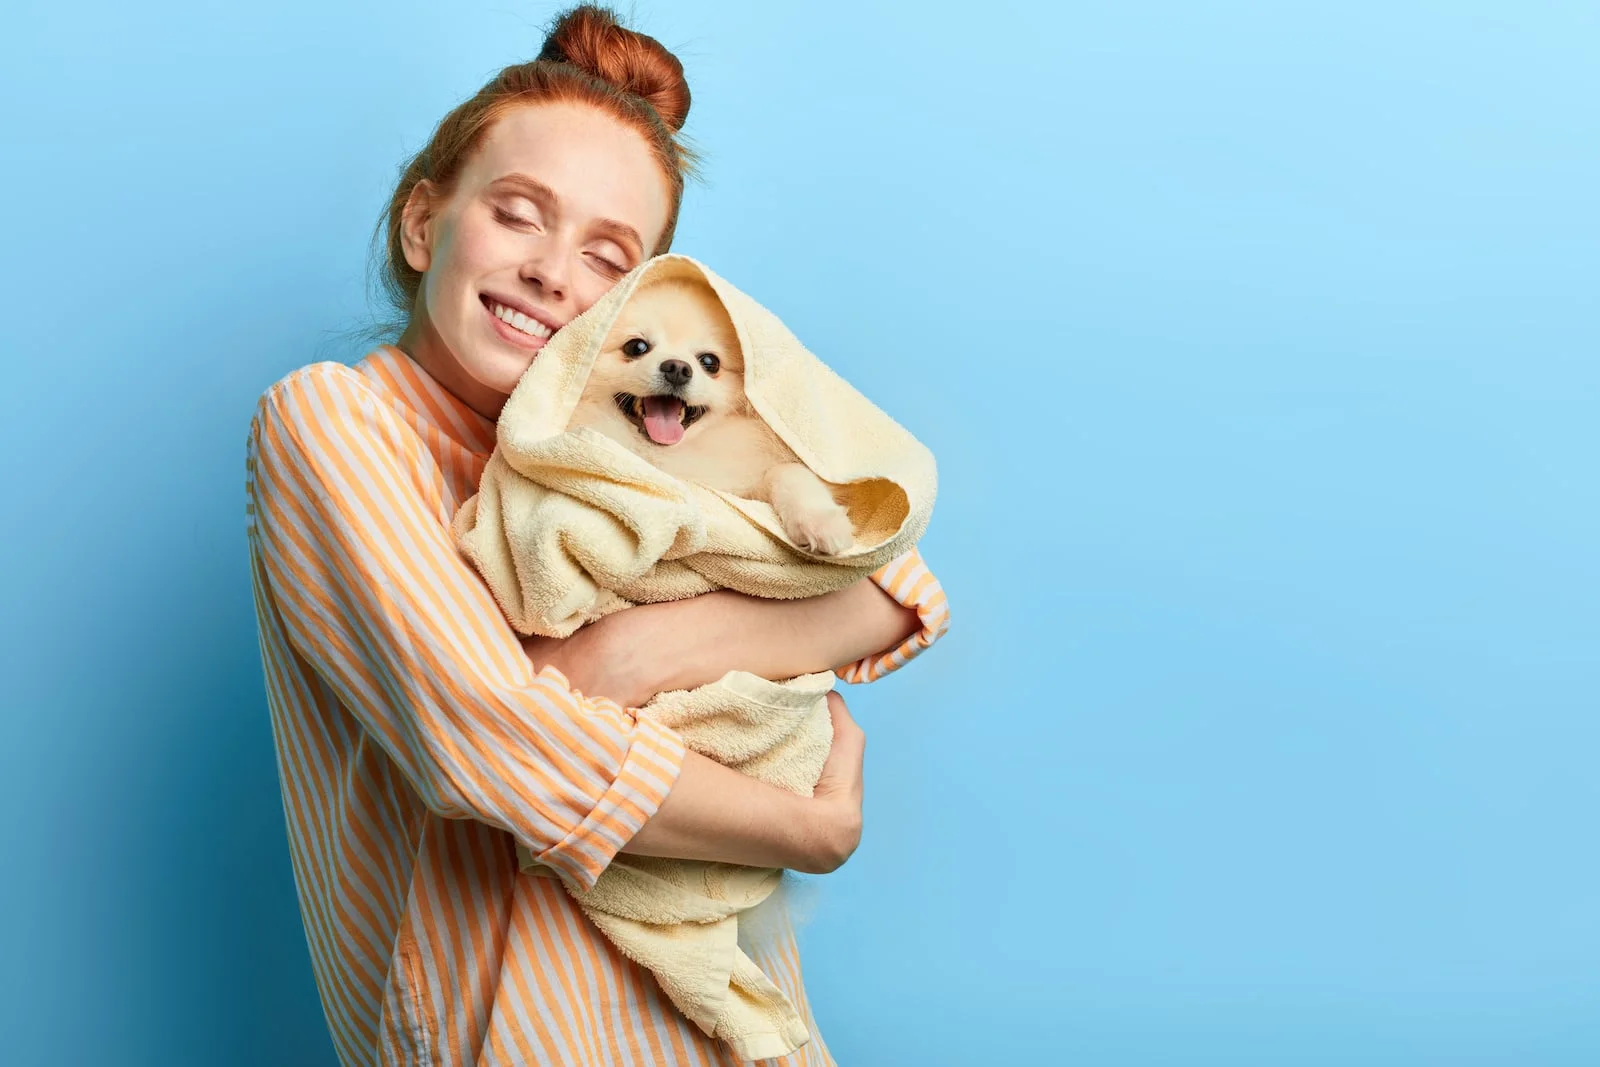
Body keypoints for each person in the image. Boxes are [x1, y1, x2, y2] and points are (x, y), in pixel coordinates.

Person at [244, 6, 949, 1065]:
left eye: (603, 254)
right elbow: (483, 745)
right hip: (520, 1033)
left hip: (738, 1023)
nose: (548, 270)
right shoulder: (336, 421)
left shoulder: (635, 435)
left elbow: (888, 586)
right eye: (517, 214)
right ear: (423, 223)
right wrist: (807, 831)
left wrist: (619, 654)